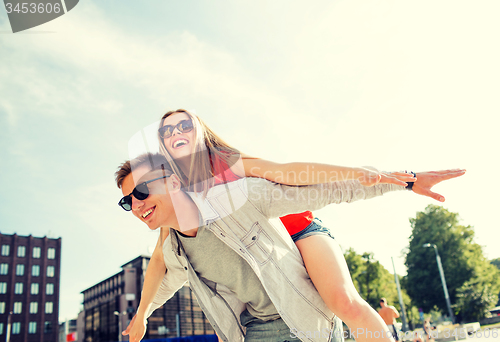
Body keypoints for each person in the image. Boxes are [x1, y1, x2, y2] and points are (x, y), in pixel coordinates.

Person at [123, 109, 462, 342]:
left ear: (200, 132)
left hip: (299, 227)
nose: (176, 133)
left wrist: (376, 175)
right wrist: (142, 314)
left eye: (184, 125)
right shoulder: (173, 194)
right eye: (166, 131)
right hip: (264, 245)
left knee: (343, 303)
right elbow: (161, 259)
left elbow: (293, 174)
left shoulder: (226, 166)